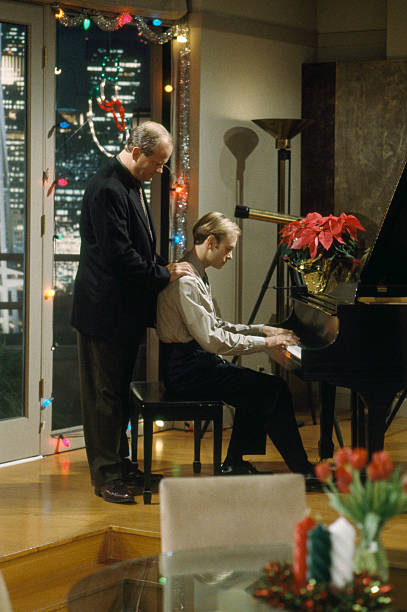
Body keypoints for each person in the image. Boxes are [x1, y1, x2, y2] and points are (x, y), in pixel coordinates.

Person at [71, 121, 193, 504]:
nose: (160, 171)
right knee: (104, 397)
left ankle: (121, 466)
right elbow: (120, 256)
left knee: (117, 396)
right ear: (137, 151)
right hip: (103, 312)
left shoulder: (129, 183)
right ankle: (106, 476)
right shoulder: (108, 188)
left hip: (119, 313)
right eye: (157, 163)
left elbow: (139, 246)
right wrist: (164, 274)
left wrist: (162, 267)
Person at [156, 211, 321, 490]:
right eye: (228, 249)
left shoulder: (195, 273)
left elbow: (216, 326)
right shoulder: (187, 281)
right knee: (273, 389)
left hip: (195, 364)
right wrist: (266, 343)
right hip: (186, 371)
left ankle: (236, 462)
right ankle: (301, 471)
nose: (230, 256)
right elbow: (213, 340)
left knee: (257, 388)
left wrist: (262, 330)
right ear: (211, 242)